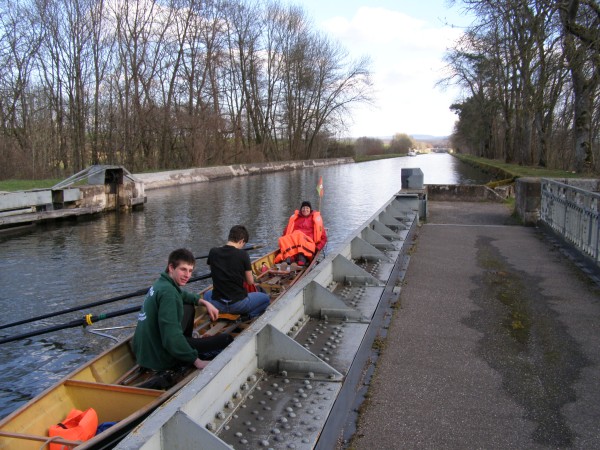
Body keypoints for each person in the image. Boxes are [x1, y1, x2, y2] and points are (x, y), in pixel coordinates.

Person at [133, 248, 232, 374]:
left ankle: (186, 342)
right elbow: (171, 338)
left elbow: (182, 295)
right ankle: (184, 352)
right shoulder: (169, 294)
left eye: (190, 271)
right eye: (183, 269)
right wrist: (196, 361)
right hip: (161, 357)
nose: (187, 275)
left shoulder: (161, 284)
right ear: (171, 267)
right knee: (227, 340)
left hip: (145, 353)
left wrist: (203, 302)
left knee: (188, 306)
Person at [203, 225, 270, 319]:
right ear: (241, 241)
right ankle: (248, 316)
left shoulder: (213, 252)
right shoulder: (243, 254)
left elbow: (213, 270)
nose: (242, 247)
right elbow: (250, 282)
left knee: (206, 294)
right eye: (243, 244)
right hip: (238, 305)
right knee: (266, 299)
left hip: (218, 303)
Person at [275, 200, 327, 266]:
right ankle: (288, 259)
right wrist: (284, 241)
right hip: (295, 241)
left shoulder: (315, 220)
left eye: (307, 208)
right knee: (283, 239)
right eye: (303, 208)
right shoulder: (295, 218)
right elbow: (286, 232)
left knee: (300, 238)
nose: (305, 210)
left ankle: (301, 260)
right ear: (301, 209)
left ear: (310, 209)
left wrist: (318, 247)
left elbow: (324, 238)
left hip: (308, 242)